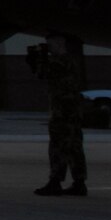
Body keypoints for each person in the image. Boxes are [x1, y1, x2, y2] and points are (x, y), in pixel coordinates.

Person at [33, 33, 88, 197]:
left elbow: (43, 73)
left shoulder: (61, 61)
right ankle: (79, 182)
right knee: (73, 147)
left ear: (60, 42)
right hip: (70, 110)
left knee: (58, 146)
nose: (49, 48)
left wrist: (40, 59)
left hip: (63, 111)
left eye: (50, 45)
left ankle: (55, 181)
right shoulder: (71, 60)